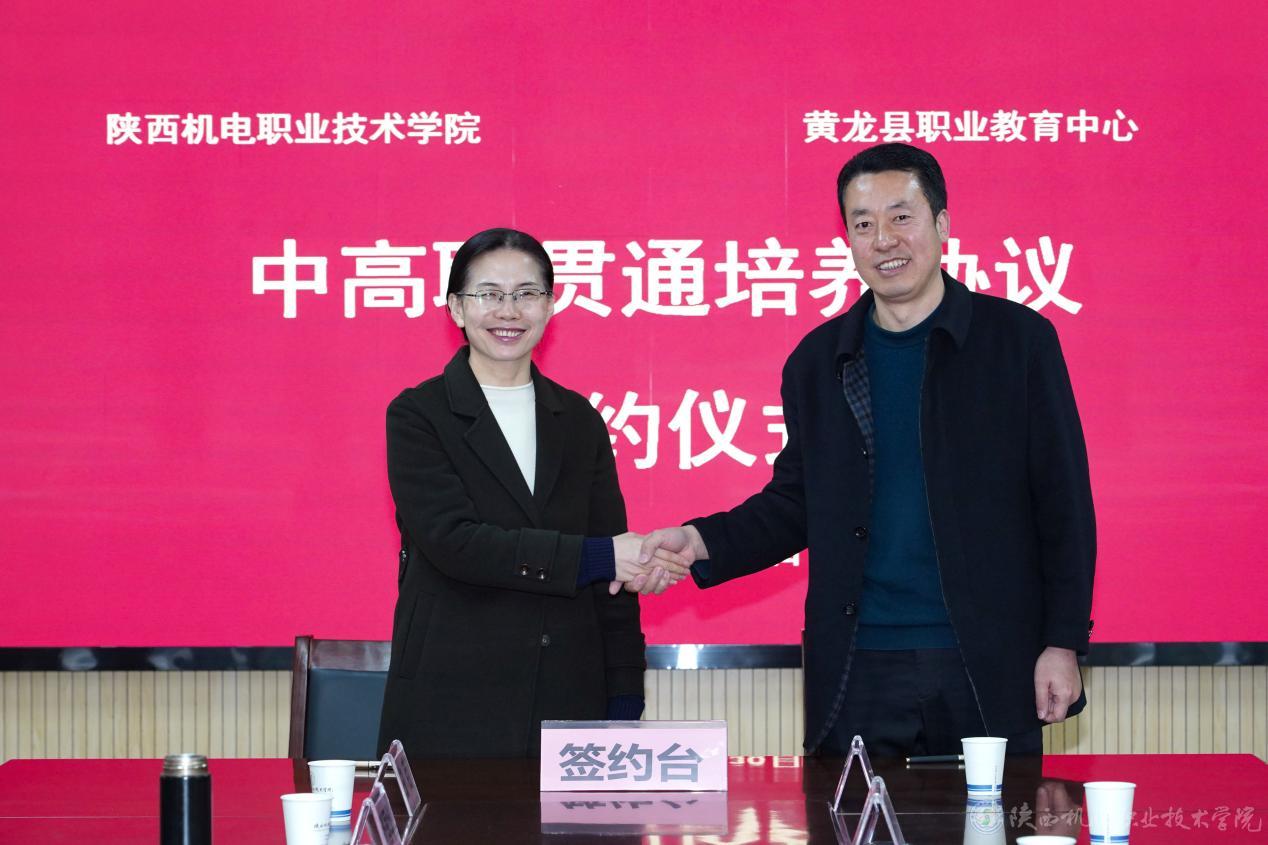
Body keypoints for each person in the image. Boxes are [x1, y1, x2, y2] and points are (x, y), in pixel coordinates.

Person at [638, 143, 1095, 757]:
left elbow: (1064, 504)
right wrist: (699, 542)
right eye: (863, 224)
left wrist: (1062, 642)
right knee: (846, 811)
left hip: (988, 656)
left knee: (996, 811)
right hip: (859, 663)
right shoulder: (819, 360)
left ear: (942, 224)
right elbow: (797, 502)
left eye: (901, 217)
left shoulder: (1019, 342)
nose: (884, 240)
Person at [377, 227, 689, 758]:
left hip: (570, 694)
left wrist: (623, 691)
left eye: (526, 293)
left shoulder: (578, 419)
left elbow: (613, 577)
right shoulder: (418, 415)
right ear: (456, 308)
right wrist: (601, 556)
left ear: (550, 306)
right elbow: (455, 542)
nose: (509, 311)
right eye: (489, 294)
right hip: (452, 698)